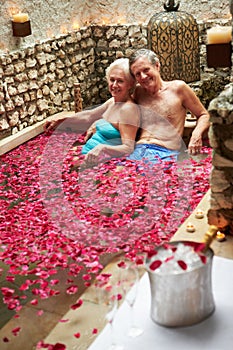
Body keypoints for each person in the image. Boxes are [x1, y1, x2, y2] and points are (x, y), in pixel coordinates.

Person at [44, 58, 140, 165]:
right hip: (87, 153)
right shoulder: (113, 102)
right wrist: (62, 121)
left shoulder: (128, 110)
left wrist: (102, 148)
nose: (114, 85)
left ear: (130, 84)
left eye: (120, 81)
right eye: (112, 80)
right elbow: (89, 116)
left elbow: (128, 148)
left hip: (100, 161)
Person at [126, 48, 210, 163]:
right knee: (113, 176)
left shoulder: (178, 89)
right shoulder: (138, 92)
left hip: (164, 153)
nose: (143, 77)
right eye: (137, 74)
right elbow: (118, 104)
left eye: (146, 70)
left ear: (157, 66)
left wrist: (196, 134)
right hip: (138, 150)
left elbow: (204, 115)